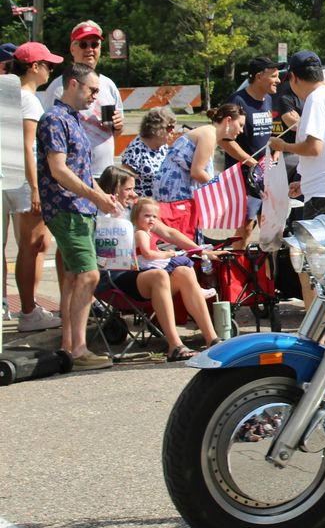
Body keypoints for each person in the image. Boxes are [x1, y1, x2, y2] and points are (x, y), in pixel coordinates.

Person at [37, 62, 121, 369]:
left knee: (75, 276)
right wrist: (95, 195)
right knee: (89, 274)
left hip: (79, 206)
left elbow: (81, 169)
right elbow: (59, 170)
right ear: (73, 84)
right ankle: (77, 348)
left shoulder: (72, 119)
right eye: (92, 90)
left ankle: (69, 347)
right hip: (66, 206)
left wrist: (101, 194)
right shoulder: (55, 119)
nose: (95, 96)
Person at [93, 166, 219, 360]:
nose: (134, 194)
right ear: (115, 188)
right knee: (159, 275)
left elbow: (169, 233)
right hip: (113, 275)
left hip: (138, 273)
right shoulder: (98, 215)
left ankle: (212, 339)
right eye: (128, 189)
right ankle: (175, 346)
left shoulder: (133, 211)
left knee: (184, 270)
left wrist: (202, 251)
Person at [268, 50, 325, 305]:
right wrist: (305, 181)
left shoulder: (315, 100)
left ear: (294, 78)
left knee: (312, 269)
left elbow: (313, 147)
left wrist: (282, 145)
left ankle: (317, 333)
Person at [9, 42, 63, 331]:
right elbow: (29, 146)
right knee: (32, 246)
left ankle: (22, 307)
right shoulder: (29, 100)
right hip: (22, 179)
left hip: (6, 176)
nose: (50, 70)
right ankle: (28, 312)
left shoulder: (7, 94)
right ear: (34, 67)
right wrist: (35, 187)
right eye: (47, 65)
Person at [41, 20, 124, 179]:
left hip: (105, 173)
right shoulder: (60, 87)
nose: (90, 49)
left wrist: (118, 126)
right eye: (83, 45)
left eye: (95, 44)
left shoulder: (108, 85)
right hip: (74, 175)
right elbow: (49, 133)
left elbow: (118, 132)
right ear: (72, 48)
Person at [223, 56, 282, 244]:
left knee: (270, 226)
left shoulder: (269, 100)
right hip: (243, 175)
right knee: (245, 227)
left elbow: (269, 134)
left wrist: (276, 152)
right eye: (274, 76)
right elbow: (224, 140)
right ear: (259, 77)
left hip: (266, 173)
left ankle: (266, 271)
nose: (278, 80)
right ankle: (238, 270)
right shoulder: (237, 101)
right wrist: (251, 162)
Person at [154, 104, 247, 205]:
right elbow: (197, 172)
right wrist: (223, 190)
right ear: (228, 120)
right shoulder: (209, 134)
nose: (241, 130)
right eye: (240, 125)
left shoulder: (210, 133)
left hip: (172, 192)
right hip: (175, 195)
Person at [120, 106, 177, 198]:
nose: (173, 131)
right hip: (142, 205)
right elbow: (123, 181)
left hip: (160, 203)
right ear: (157, 128)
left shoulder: (163, 148)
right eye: (170, 127)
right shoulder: (136, 149)